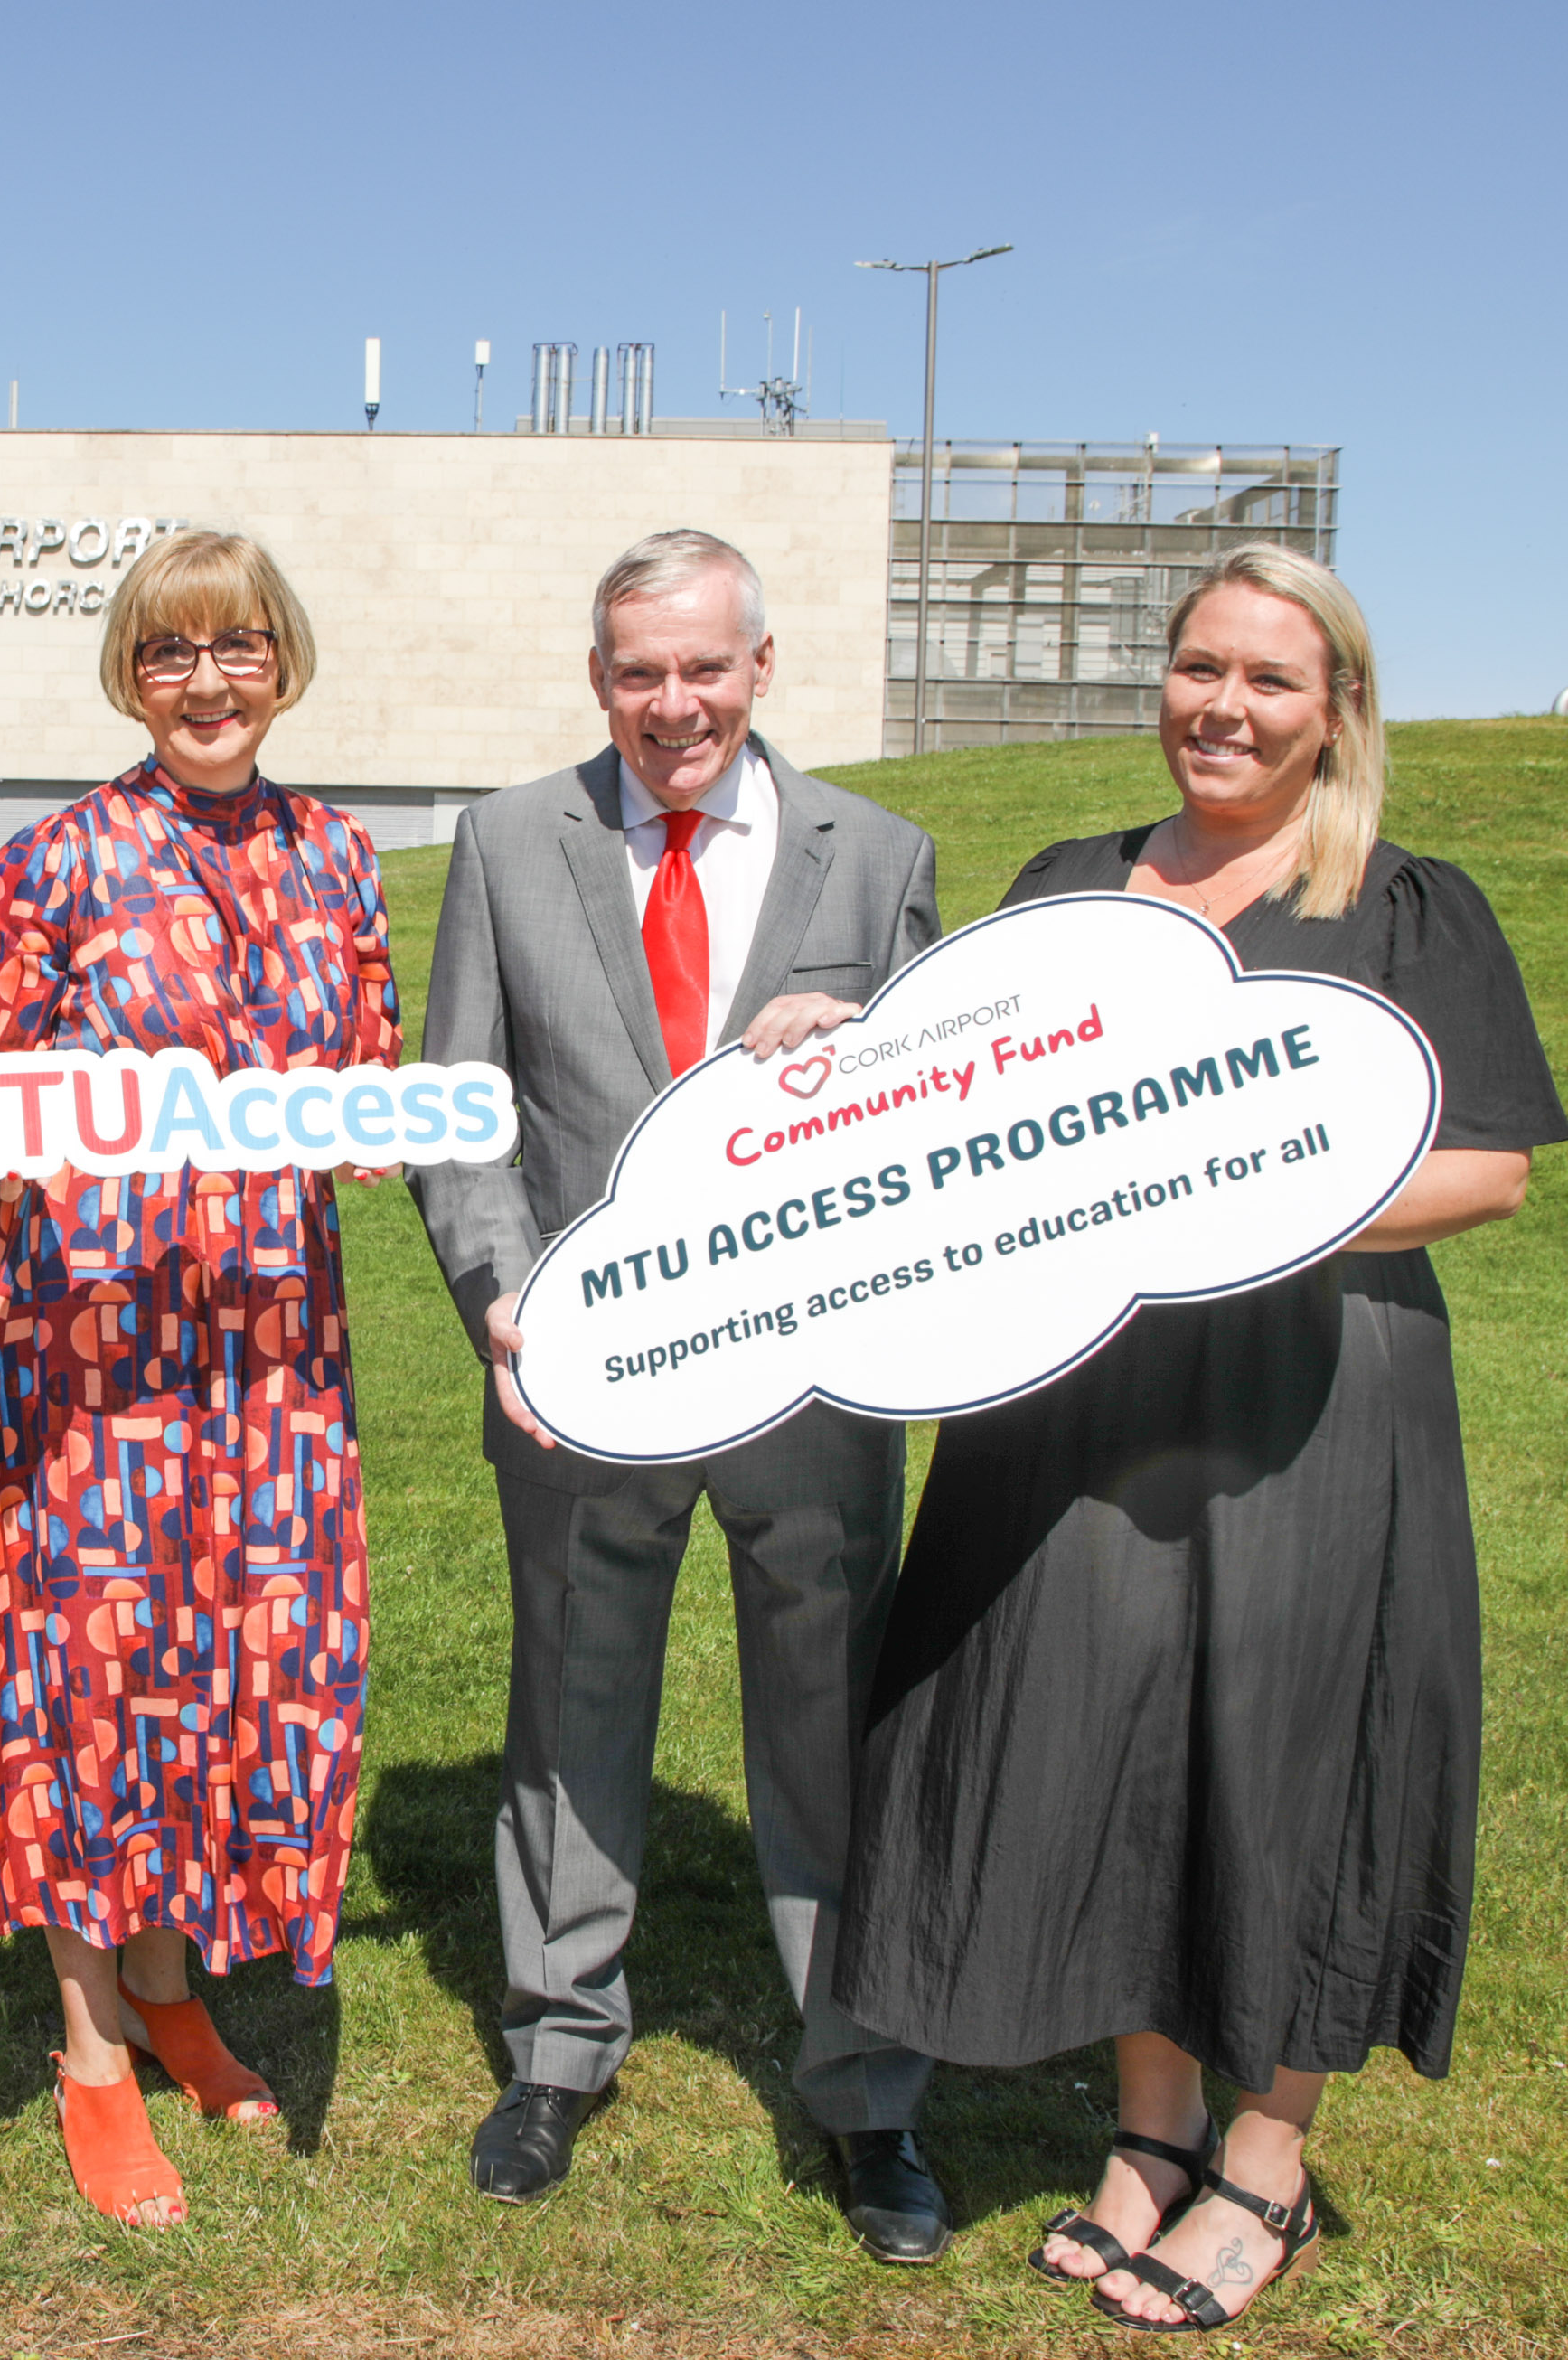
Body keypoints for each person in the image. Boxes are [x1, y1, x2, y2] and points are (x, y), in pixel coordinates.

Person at [835, 545, 1568, 2333]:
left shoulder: (1406, 909)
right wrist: (833, 1059)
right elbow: (961, 1110)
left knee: (1285, 1752)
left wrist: (1239, 1206)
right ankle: (1148, 2136)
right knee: (1102, 1743)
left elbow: (1491, 1165)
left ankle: (1268, 2163)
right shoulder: (1072, 892)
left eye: (1270, 680)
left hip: (1309, 1400)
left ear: (1337, 714)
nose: (1225, 708)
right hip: (1080, 1402)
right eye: (1200, 668)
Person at [410, 529, 953, 2260]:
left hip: (812, 1381)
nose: (672, 703)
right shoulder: (510, 840)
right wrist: (501, 1302)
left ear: (761, 669)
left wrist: (862, 1059)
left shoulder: (880, 858)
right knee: (572, 1699)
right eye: (638, 671)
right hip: (578, 1376)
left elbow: (945, 1126)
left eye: (703, 668)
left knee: (832, 1710)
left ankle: (866, 2091)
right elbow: (465, 1099)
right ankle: (559, 2045)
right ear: (599, 680)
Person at [0, 530, 395, 2228]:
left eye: (240, 647)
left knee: (232, 1663)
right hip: (95, 1347)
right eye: (171, 654)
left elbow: (365, 1086)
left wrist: (360, 1124)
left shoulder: (343, 859)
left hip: (268, 1347)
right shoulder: (52, 862)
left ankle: (167, 1979)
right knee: (90, 1671)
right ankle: (87, 2048)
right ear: (129, 675)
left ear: (284, 657)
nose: (210, 683)